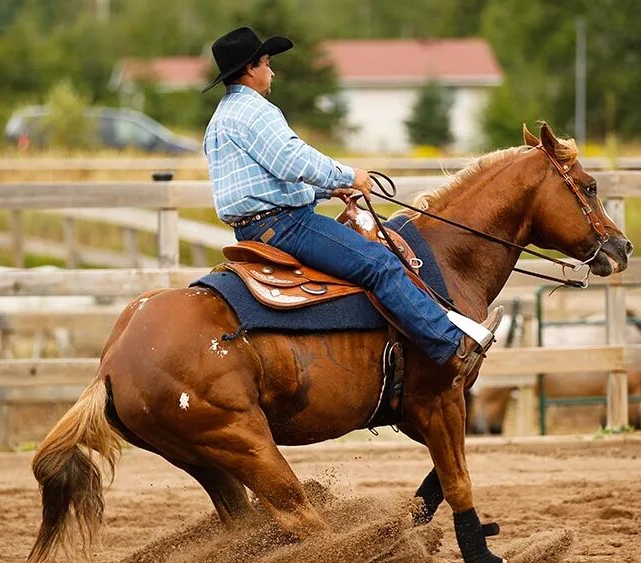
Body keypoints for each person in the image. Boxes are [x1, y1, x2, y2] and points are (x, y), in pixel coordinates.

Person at [203, 26, 503, 383]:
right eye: (267, 63)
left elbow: (259, 183)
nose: (272, 71)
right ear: (251, 68)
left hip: (253, 228)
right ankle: (451, 347)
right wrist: (347, 177)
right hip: (287, 226)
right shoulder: (256, 111)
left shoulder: (220, 120)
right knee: (380, 264)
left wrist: (324, 193)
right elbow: (290, 159)